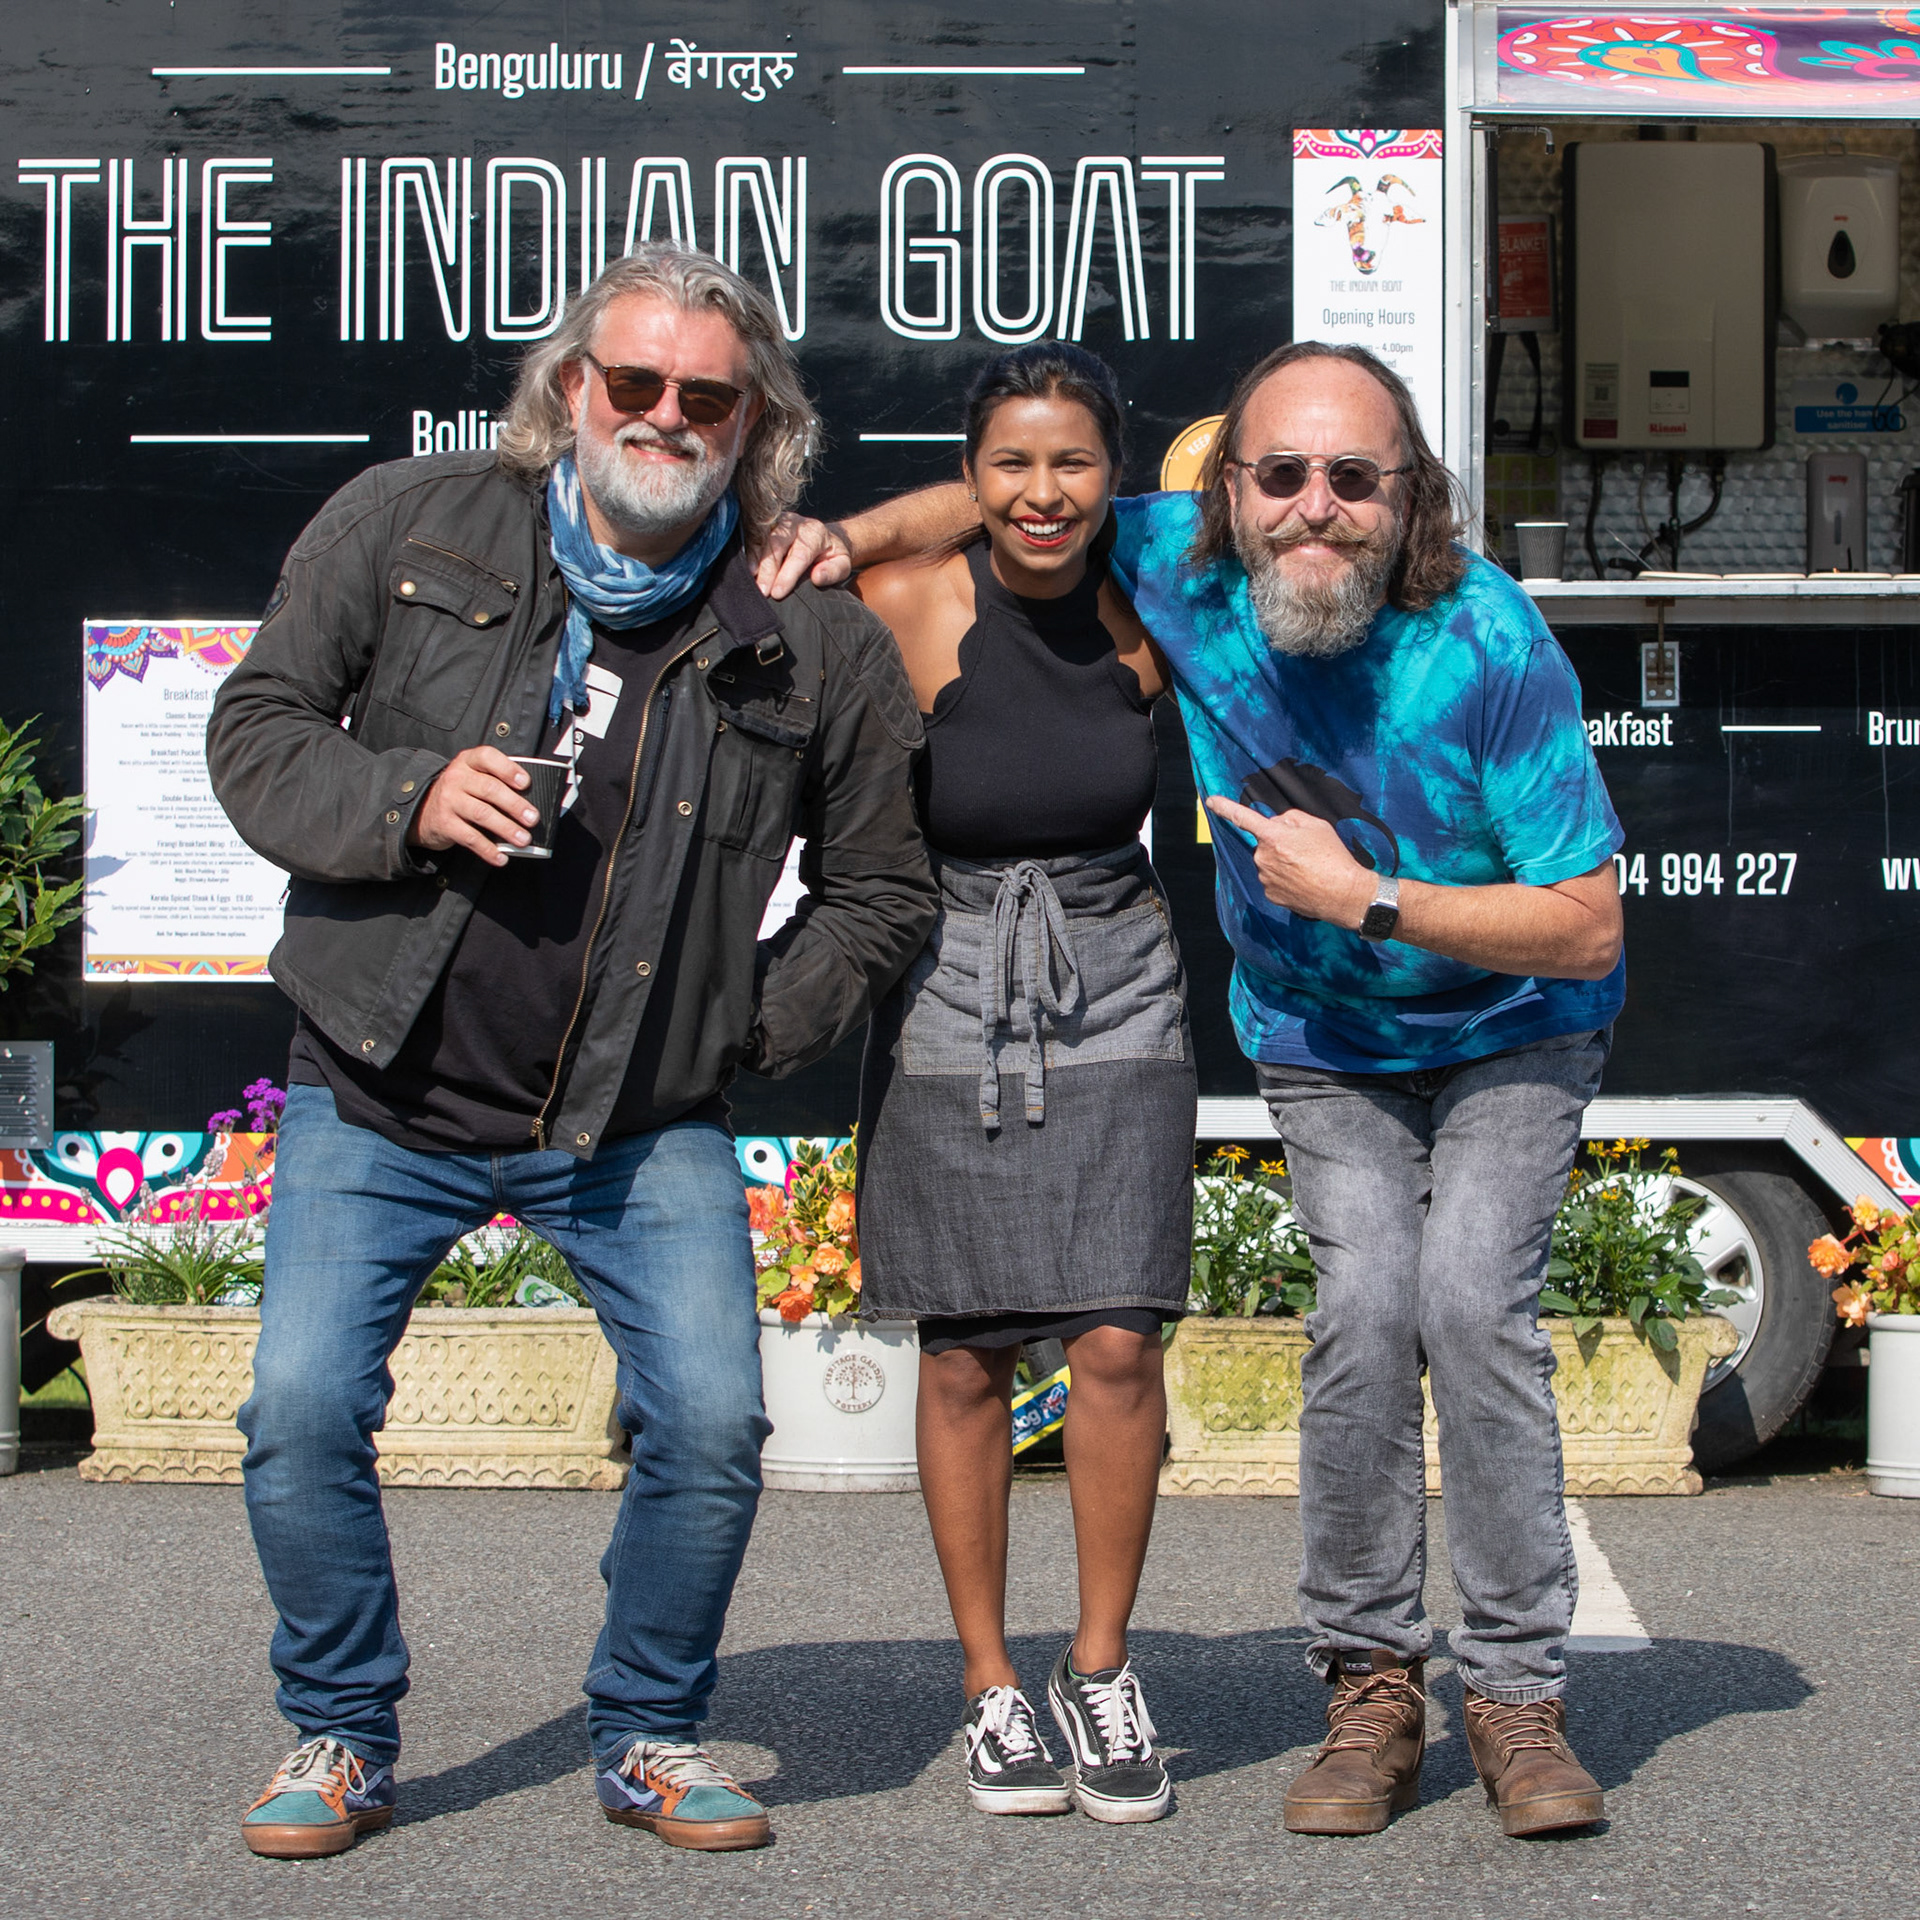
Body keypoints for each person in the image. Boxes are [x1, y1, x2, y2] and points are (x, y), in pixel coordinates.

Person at [758, 340, 1625, 1840]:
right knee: (1359, 1315)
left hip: (1509, 1019)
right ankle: (1368, 1689)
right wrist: (847, 533)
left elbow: (1590, 921)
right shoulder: (1184, 560)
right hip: (1319, 1028)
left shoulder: (1488, 641)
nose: (1313, 508)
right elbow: (992, 503)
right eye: (1280, 474)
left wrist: (1373, 900)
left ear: (1406, 493)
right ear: (1223, 487)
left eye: (1354, 479)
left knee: (1472, 1303)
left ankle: (1515, 1698)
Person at [206, 244, 936, 1859]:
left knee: (713, 1425)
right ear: (572, 393)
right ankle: (338, 1732)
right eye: (636, 382)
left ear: (757, 425)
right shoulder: (405, 520)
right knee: (302, 1407)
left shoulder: (812, 632)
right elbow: (254, 731)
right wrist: (405, 803)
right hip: (379, 1087)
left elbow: (884, 889)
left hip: (633, 1115)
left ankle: (653, 1732)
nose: (665, 415)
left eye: (708, 395)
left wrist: (743, 1024)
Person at [853, 344, 1193, 1824]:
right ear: (969, 475)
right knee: (964, 1352)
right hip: (950, 976)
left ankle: (1100, 1665)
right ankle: (991, 1680)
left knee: (1121, 1337)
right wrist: (902, 519)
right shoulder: (907, 598)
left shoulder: (1159, 603)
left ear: (1114, 476)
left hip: (1118, 967)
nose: (1042, 493)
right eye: (1010, 462)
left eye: (1072, 462)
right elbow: (776, 569)